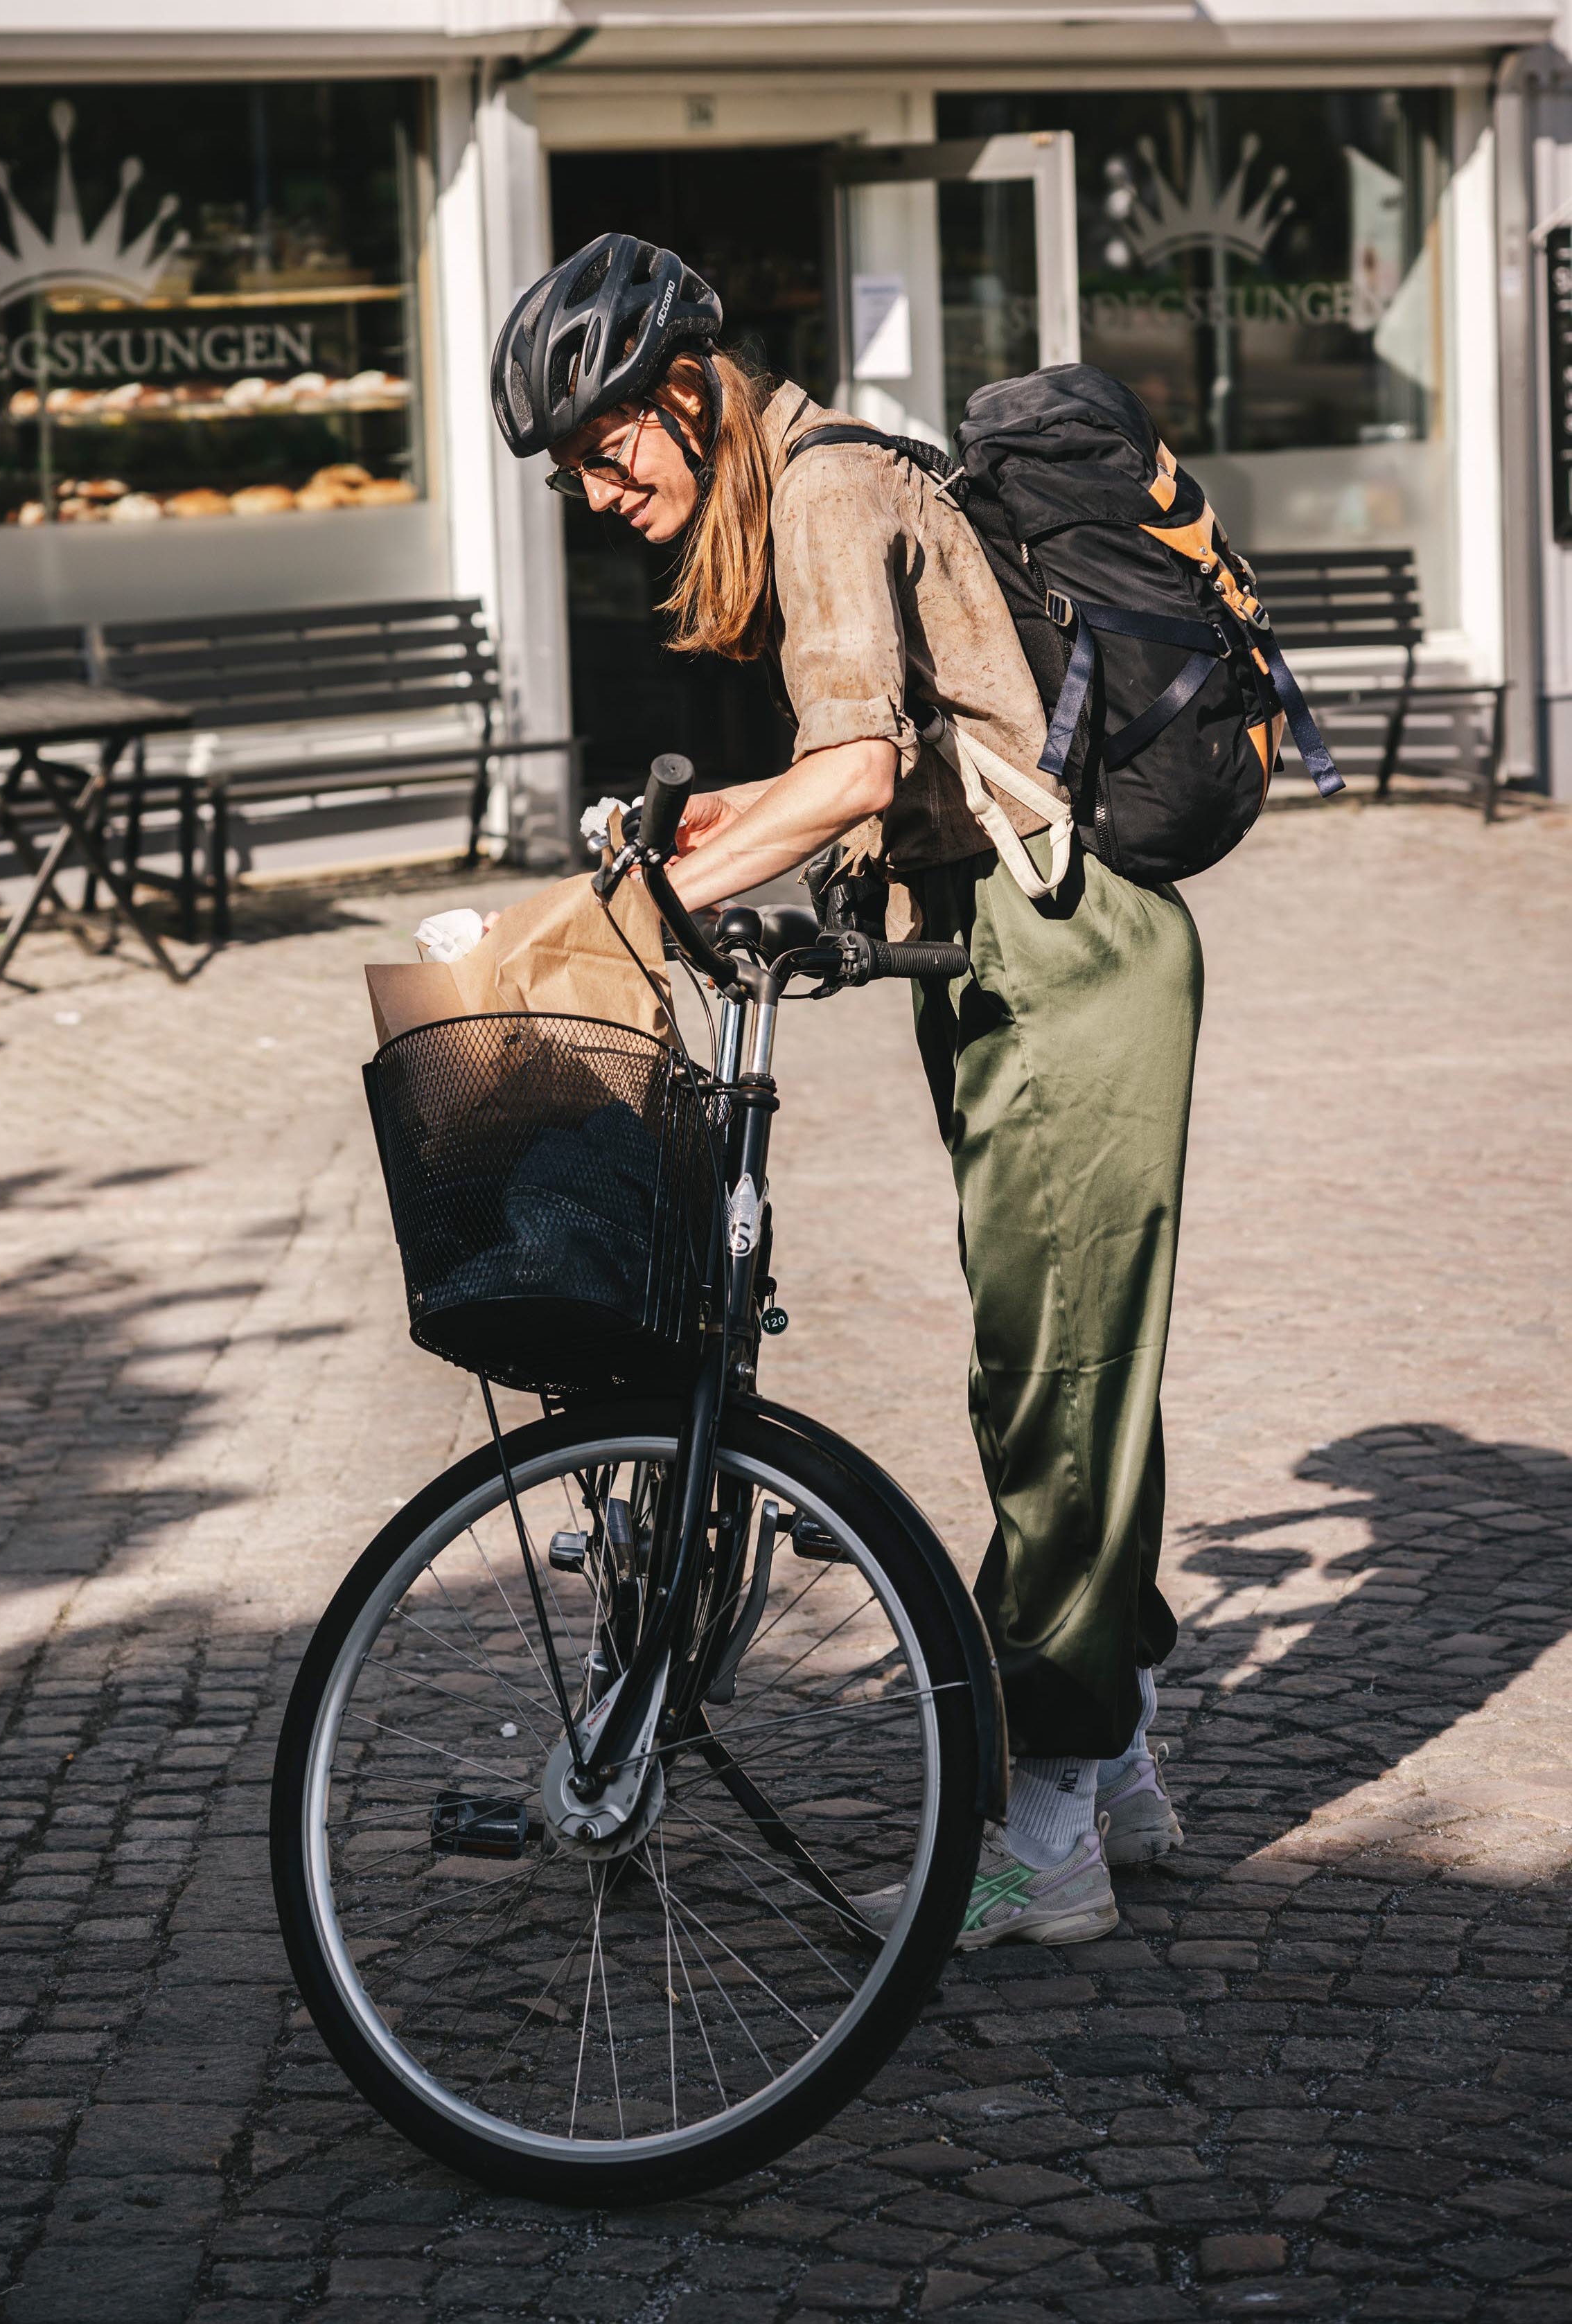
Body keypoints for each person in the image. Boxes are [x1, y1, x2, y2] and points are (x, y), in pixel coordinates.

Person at [490, 233, 1195, 1949]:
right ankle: (1116, 1769)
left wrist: (636, 908)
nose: (594, 491)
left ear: (680, 391)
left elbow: (858, 764)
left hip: (1066, 951)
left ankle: (1045, 1836)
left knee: (1056, 1380)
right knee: (1057, 1362)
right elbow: (860, 767)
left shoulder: (816, 490)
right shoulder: (832, 475)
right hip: (1009, 950)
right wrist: (698, 833)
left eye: (603, 450)